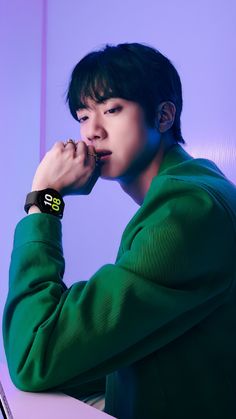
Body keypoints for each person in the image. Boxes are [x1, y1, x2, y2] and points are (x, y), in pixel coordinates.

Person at [2, 42, 236, 419]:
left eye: (111, 110)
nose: (92, 132)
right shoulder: (194, 186)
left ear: (163, 116)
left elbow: (33, 356)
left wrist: (44, 201)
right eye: (82, 116)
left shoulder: (188, 212)